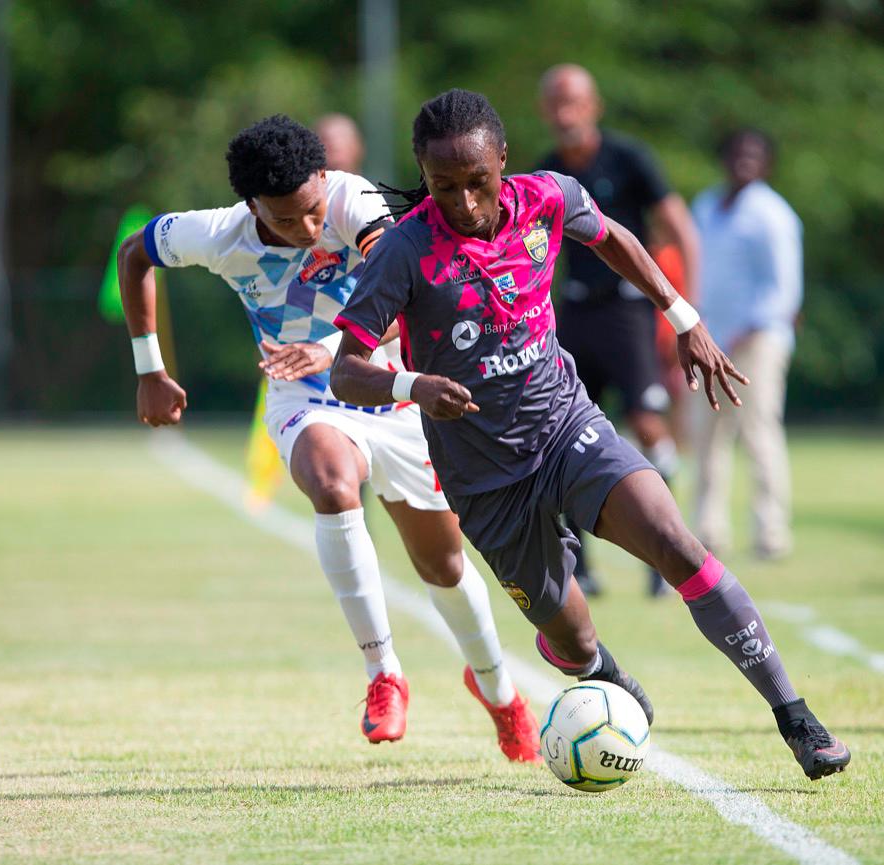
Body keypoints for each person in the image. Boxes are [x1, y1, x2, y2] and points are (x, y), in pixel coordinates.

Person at [331, 89, 851, 781]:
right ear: (424, 178)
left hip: (566, 427)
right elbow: (347, 371)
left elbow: (615, 239)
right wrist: (411, 386)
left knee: (676, 543)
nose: (464, 201)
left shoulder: (548, 197)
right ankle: (598, 669)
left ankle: (797, 718)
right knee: (570, 636)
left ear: (504, 161)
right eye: (444, 186)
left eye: (477, 181)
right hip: (485, 481)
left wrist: (683, 315)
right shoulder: (403, 251)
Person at [115, 114, 540, 762]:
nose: (309, 229)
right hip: (304, 401)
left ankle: (499, 690)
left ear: (324, 179)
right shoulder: (220, 235)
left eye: (313, 210)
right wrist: (150, 368)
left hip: (394, 393)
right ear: (252, 206)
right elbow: (135, 253)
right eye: (286, 221)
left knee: (444, 566)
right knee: (333, 484)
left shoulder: (355, 201)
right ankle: (383, 672)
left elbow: (408, 299)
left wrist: (332, 348)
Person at [535, 64, 700, 597]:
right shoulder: (544, 173)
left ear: (594, 106)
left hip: (628, 312)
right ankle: (579, 565)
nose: (566, 112)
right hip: (575, 311)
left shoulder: (629, 160)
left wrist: (684, 314)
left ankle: (665, 553)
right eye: (556, 102)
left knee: (648, 423)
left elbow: (680, 231)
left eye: (575, 101)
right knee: (564, 430)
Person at [689, 128, 802, 561]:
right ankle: (707, 531)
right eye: (737, 153)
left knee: (758, 432)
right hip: (708, 339)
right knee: (707, 435)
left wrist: (745, 330)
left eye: (754, 155)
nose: (744, 162)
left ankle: (771, 532)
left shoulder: (773, 215)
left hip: (758, 339)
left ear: (767, 163)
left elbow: (784, 290)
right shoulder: (706, 206)